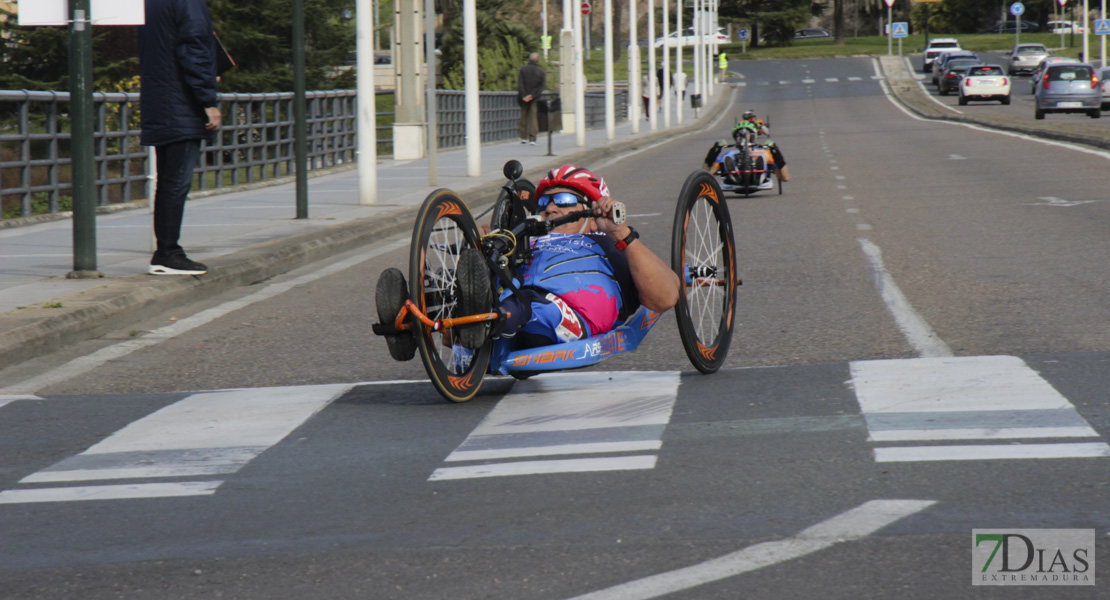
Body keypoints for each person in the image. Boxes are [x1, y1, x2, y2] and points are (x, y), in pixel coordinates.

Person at [459, 165, 680, 349]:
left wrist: (621, 234)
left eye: (564, 200)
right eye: (544, 203)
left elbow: (666, 297)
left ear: (592, 216)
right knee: (486, 264)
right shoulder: (525, 241)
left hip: (564, 311)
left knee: (534, 306)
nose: (551, 208)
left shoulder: (609, 243)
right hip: (510, 296)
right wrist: (483, 249)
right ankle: (455, 304)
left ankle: (483, 319)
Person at [138, 0, 222, 276]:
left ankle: (166, 250)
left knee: (168, 182)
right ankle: (168, 253)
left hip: (160, 98)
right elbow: (194, 49)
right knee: (176, 183)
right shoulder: (188, 2)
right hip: (181, 103)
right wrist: (208, 101)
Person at [704, 111, 789, 182]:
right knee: (725, 158)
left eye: (746, 133)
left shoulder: (764, 153)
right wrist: (714, 151)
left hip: (757, 176)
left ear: (752, 136)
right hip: (735, 180)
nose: (742, 137)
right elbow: (706, 174)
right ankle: (734, 174)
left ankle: (758, 174)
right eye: (738, 135)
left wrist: (776, 152)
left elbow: (785, 177)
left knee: (763, 157)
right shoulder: (729, 154)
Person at [517, 52, 546, 145]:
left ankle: (523, 137)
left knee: (523, 116)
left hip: (523, 98)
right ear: (538, 60)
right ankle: (532, 138)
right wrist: (532, 96)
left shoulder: (523, 69)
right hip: (535, 98)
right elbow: (541, 86)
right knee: (533, 118)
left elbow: (520, 84)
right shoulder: (541, 71)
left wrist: (525, 95)